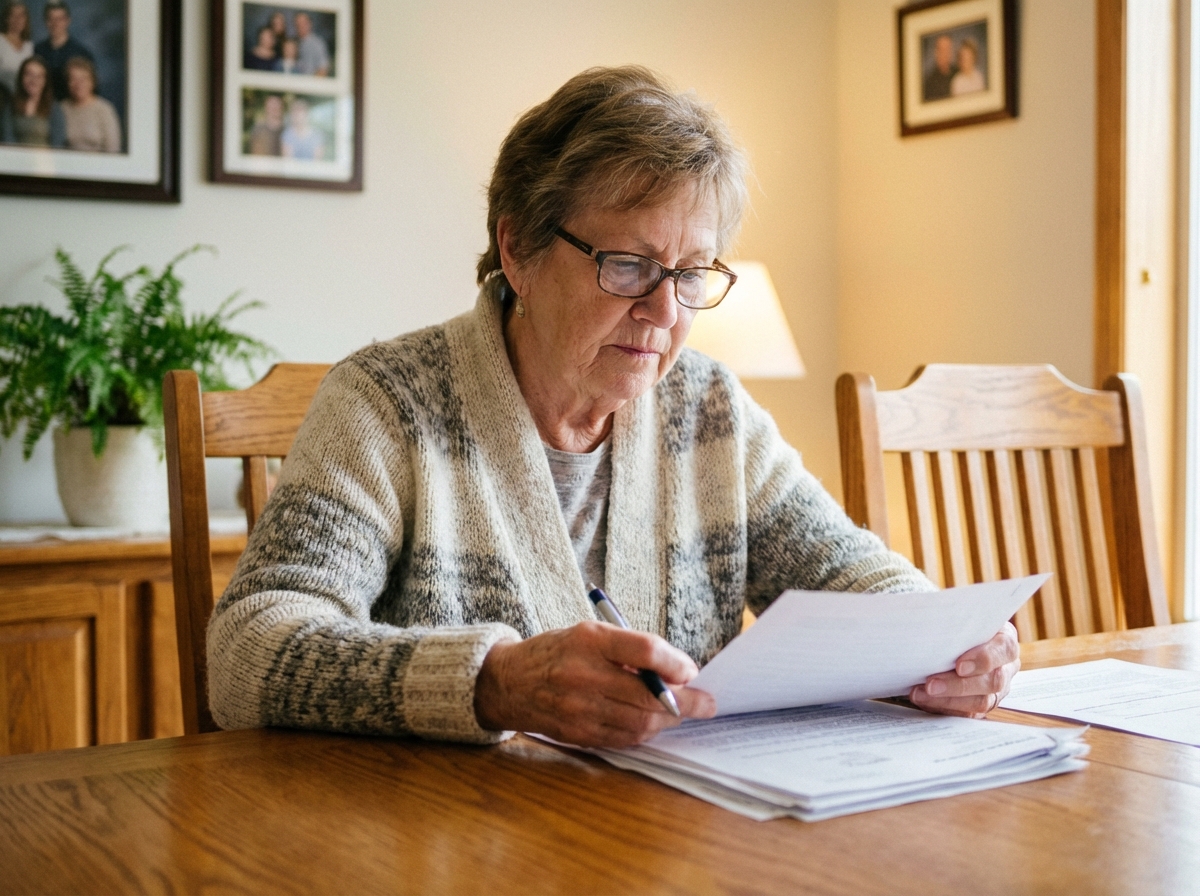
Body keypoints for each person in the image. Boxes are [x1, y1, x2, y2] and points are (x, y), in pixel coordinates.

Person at [207, 66, 1019, 748]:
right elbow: (247, 652)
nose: (666, 312)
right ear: (519, 249)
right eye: (629, 265)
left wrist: (947, 644)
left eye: (692, 272)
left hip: (669, 836)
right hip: (444, 842)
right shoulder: (387, 405)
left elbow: (848, 572)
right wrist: (491, 683)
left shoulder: (708, 409)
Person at [32, 1, 93, 102]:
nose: (55, 23)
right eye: (50, 19)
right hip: (43, 108)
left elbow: (92, 91)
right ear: (45, 21)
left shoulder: (81, 53)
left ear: (68, 20)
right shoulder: (37, 51)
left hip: (73, 110)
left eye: (59, 19)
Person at [0, 54, 64, 146]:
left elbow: (58, 143)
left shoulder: (54, 107)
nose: (33, 80)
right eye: (29, 74)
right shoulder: (11, 104)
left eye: (39, 76)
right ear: (21, 77)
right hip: (15, 158)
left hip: (45, 159)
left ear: (45, 81)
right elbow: (7, 137)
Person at [60, 55, 119, 152]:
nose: (78, 84)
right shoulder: (61, 108)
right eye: (73, 79)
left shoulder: (104, 109)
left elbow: (113, 149)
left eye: (83, 78)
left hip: (99, 165)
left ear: (92, 82)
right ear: (67, 82)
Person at [0, 1, 32, 97]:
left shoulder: (29, 46)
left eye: (21, 15)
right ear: (6, 18)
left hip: (23, 99)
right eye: (13, 15)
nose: (17, 19)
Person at [922, 33, 956, 102]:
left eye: (948, 49)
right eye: (942, 50)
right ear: (935, 52)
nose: (945, 54)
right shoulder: (929, 84)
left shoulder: (959, 73)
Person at [293, 12, 329, 76]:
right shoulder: (293, 43)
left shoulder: (318, 43)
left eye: (303, 23)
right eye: (298, 24)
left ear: (310, 24)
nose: (301, 26)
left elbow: (323, 69)